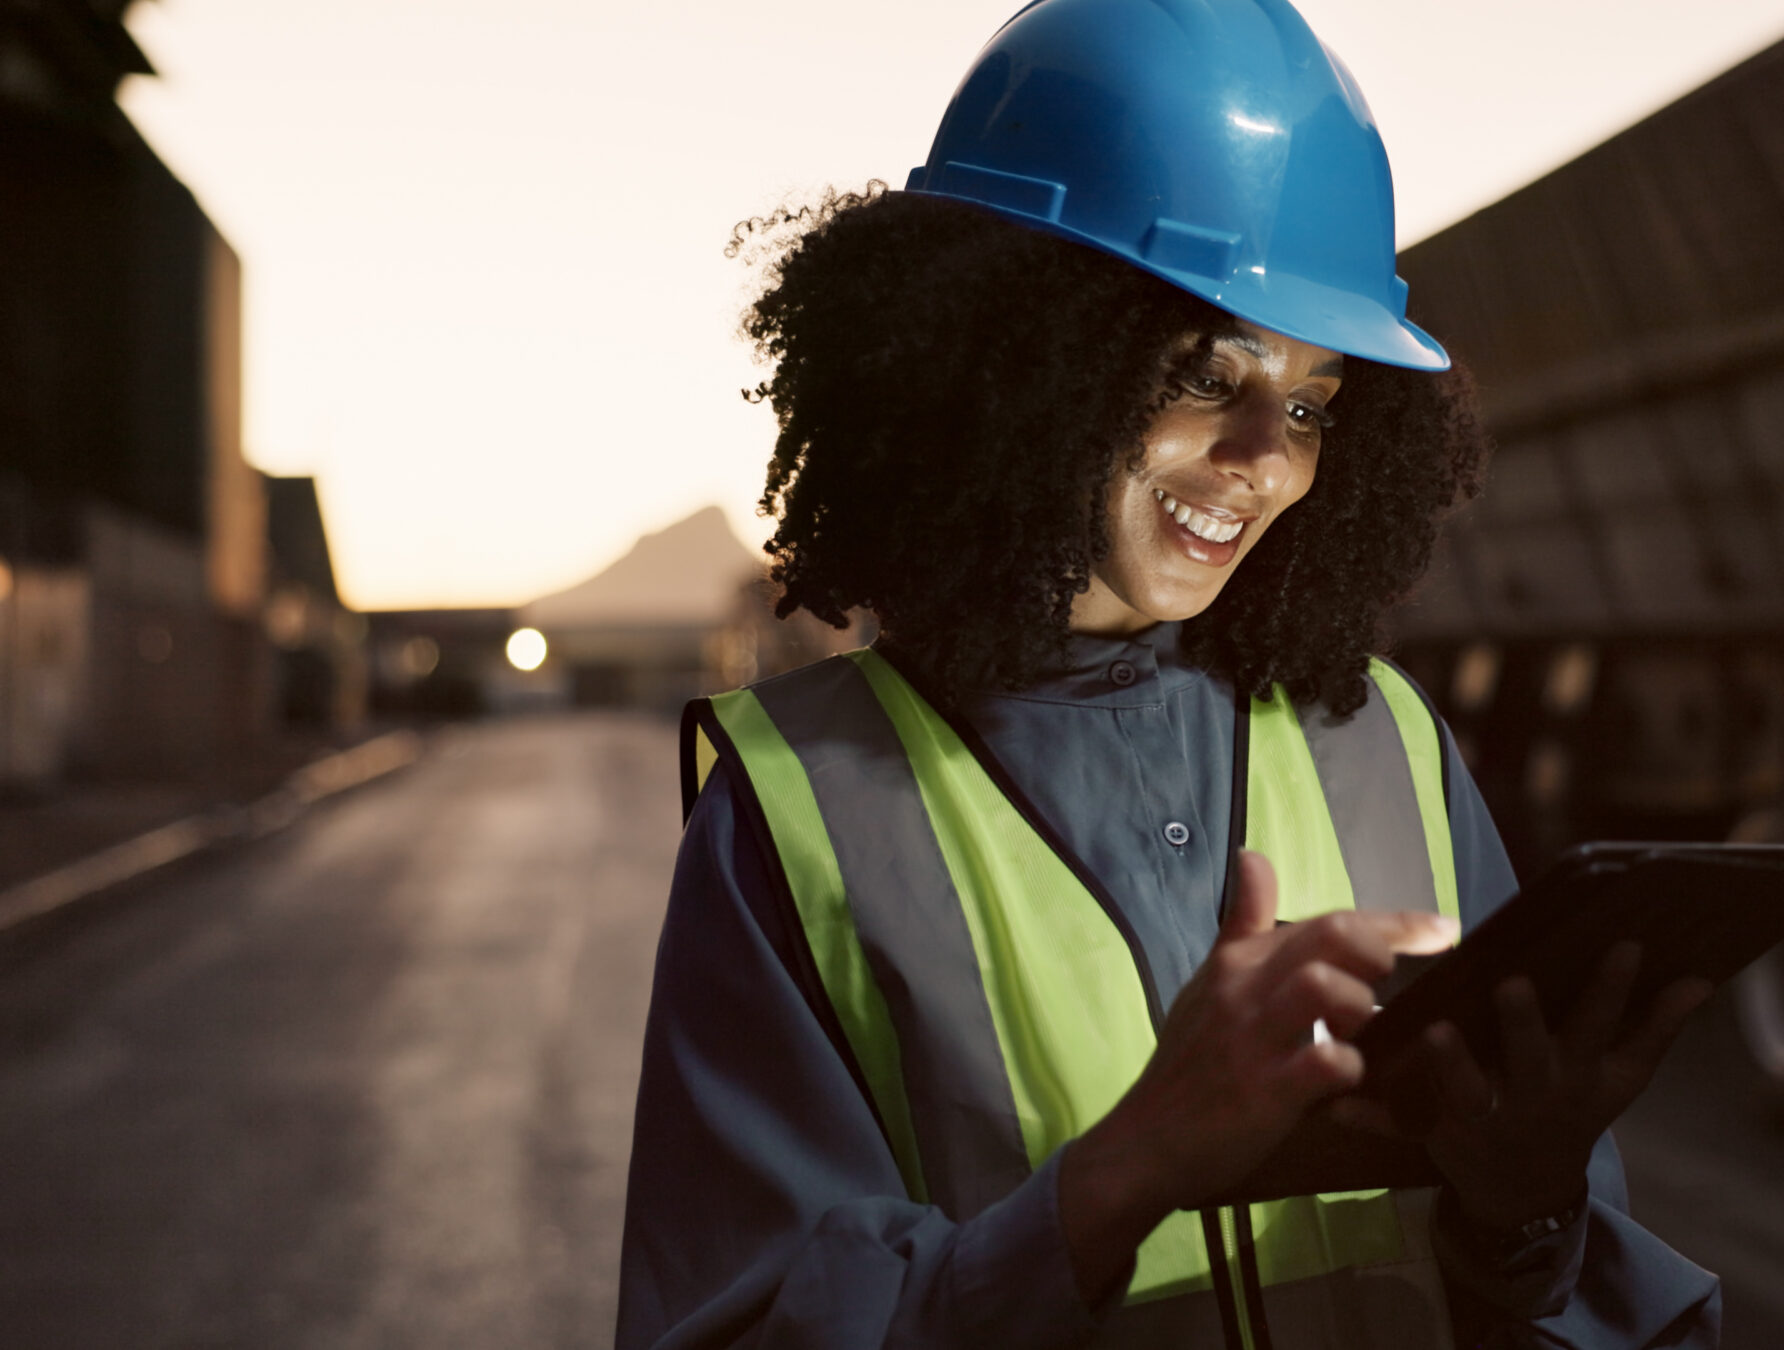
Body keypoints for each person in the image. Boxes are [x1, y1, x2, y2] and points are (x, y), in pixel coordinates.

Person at [613, 1, 1725, 1346]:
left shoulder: (1388, 740)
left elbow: (1550, 1288)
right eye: (1206, 377)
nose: (1265, 460)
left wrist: (1523, 1210)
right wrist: (1131, 1165)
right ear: (1012, 360)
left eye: (1310, 404)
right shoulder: (796, 812)